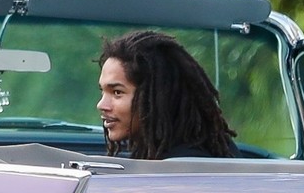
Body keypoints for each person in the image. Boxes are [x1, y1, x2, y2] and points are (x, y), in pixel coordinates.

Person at [96, 30, 238, 159]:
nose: (101, 105)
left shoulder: (179, 169)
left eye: (117, 92)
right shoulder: (212, 149)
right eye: (102, 91)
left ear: (158, 98)